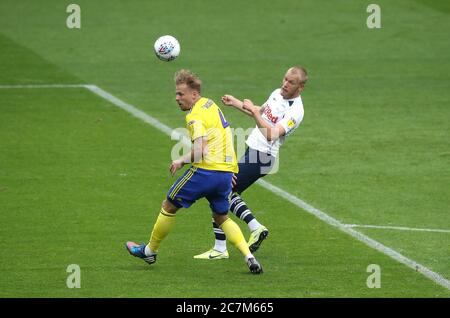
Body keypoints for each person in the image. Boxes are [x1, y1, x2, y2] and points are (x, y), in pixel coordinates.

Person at [125, 69, 263, 274]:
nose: (177, 98)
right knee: (221, 217)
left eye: (181, 94)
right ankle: (249, 257)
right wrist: (231, 169)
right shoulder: (211, 104)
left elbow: (200, 150)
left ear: (194, 94)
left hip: (205, 173)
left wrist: (180, 160)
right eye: (176, 94)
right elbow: (226, 137)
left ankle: (149, 251)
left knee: (169, 205)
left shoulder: (194, 116)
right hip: (225, 174)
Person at [194, 66, 308, 260]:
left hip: (263, 157)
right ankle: (233, 239)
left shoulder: (296, 111)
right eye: (285, 79)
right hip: (253, 151)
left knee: (220, 190)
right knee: (225, 191)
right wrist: (237, 103)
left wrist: (255, 114)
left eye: (291, 82)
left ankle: (240, 236)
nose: (285, 84)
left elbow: (271, 134)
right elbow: (259, 112)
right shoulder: (277, 94)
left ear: (301, 87)